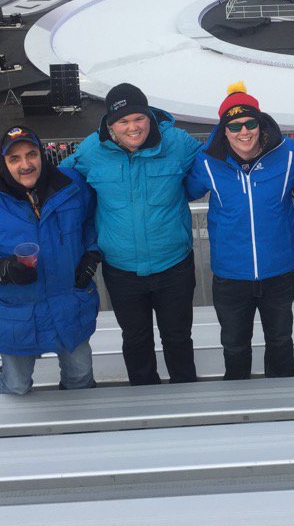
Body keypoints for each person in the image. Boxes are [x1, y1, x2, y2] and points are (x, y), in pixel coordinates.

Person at [0, 125, 100, 395]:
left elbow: (91, 222)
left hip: (70, 307)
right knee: (16, 387)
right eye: (14, 159)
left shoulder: (72, 186)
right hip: (18, 317)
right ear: (1, 164)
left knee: (81, 379)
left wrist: (91, 253)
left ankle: (79, 433)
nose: (26, 165)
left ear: (42, 155)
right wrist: (0, 269)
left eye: (31, 154)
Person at [62, 84, 203, 385]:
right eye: (123, 121)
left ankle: (188, 400)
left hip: (173, 265)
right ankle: (145, 402)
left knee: (178, 337)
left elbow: (217, 161)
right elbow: (58, 184)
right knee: (136, 340)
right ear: (110, 125)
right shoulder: (91, 151)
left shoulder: (178, 143)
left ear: (150, 116)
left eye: (138, 118)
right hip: (122, 269)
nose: (133, 127)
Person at [186, 83, 294, 380]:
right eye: (235, 125)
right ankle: (239, 408)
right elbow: (184, 191)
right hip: (230, 276)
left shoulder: (289, 153)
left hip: (278, 271)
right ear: (223, 130)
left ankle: (283, 407)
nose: (244, 132)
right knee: (235, 346)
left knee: (280, 342)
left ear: (260, 123)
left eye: (250, 123)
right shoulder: (207, 162)